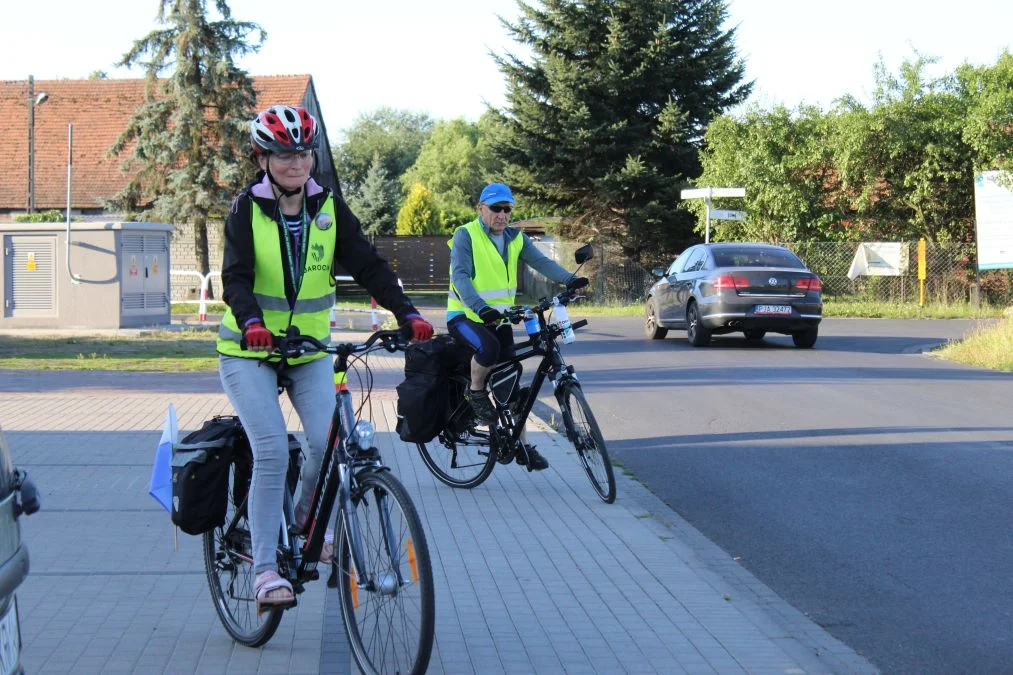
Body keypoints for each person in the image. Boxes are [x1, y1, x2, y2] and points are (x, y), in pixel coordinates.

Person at [217, 104, 434, 612]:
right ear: (263, 158)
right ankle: (266, 570)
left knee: (329, 441)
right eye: (283, 154)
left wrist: (408, 314)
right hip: (248, 350)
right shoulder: (246, 209)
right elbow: (236, 278)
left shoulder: (329, 207)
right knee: (271, 450)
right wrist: (251, 322)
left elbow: (369, 266)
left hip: (309, 349)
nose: (295, 163)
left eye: (302, 153)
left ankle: (301, 524)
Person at [447, 182, 588, 471]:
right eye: (495, 208)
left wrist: (569, 281)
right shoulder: (466, 235)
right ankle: (474, 392)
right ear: (481, 209)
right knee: (489, 348)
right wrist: (480, 307)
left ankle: (521, 446)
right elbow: (460, 278)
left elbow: (542, 263)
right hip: (465, 317)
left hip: (499, 319)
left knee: (509, 385)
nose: (501, 215)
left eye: (507, 209)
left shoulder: (515, 239)